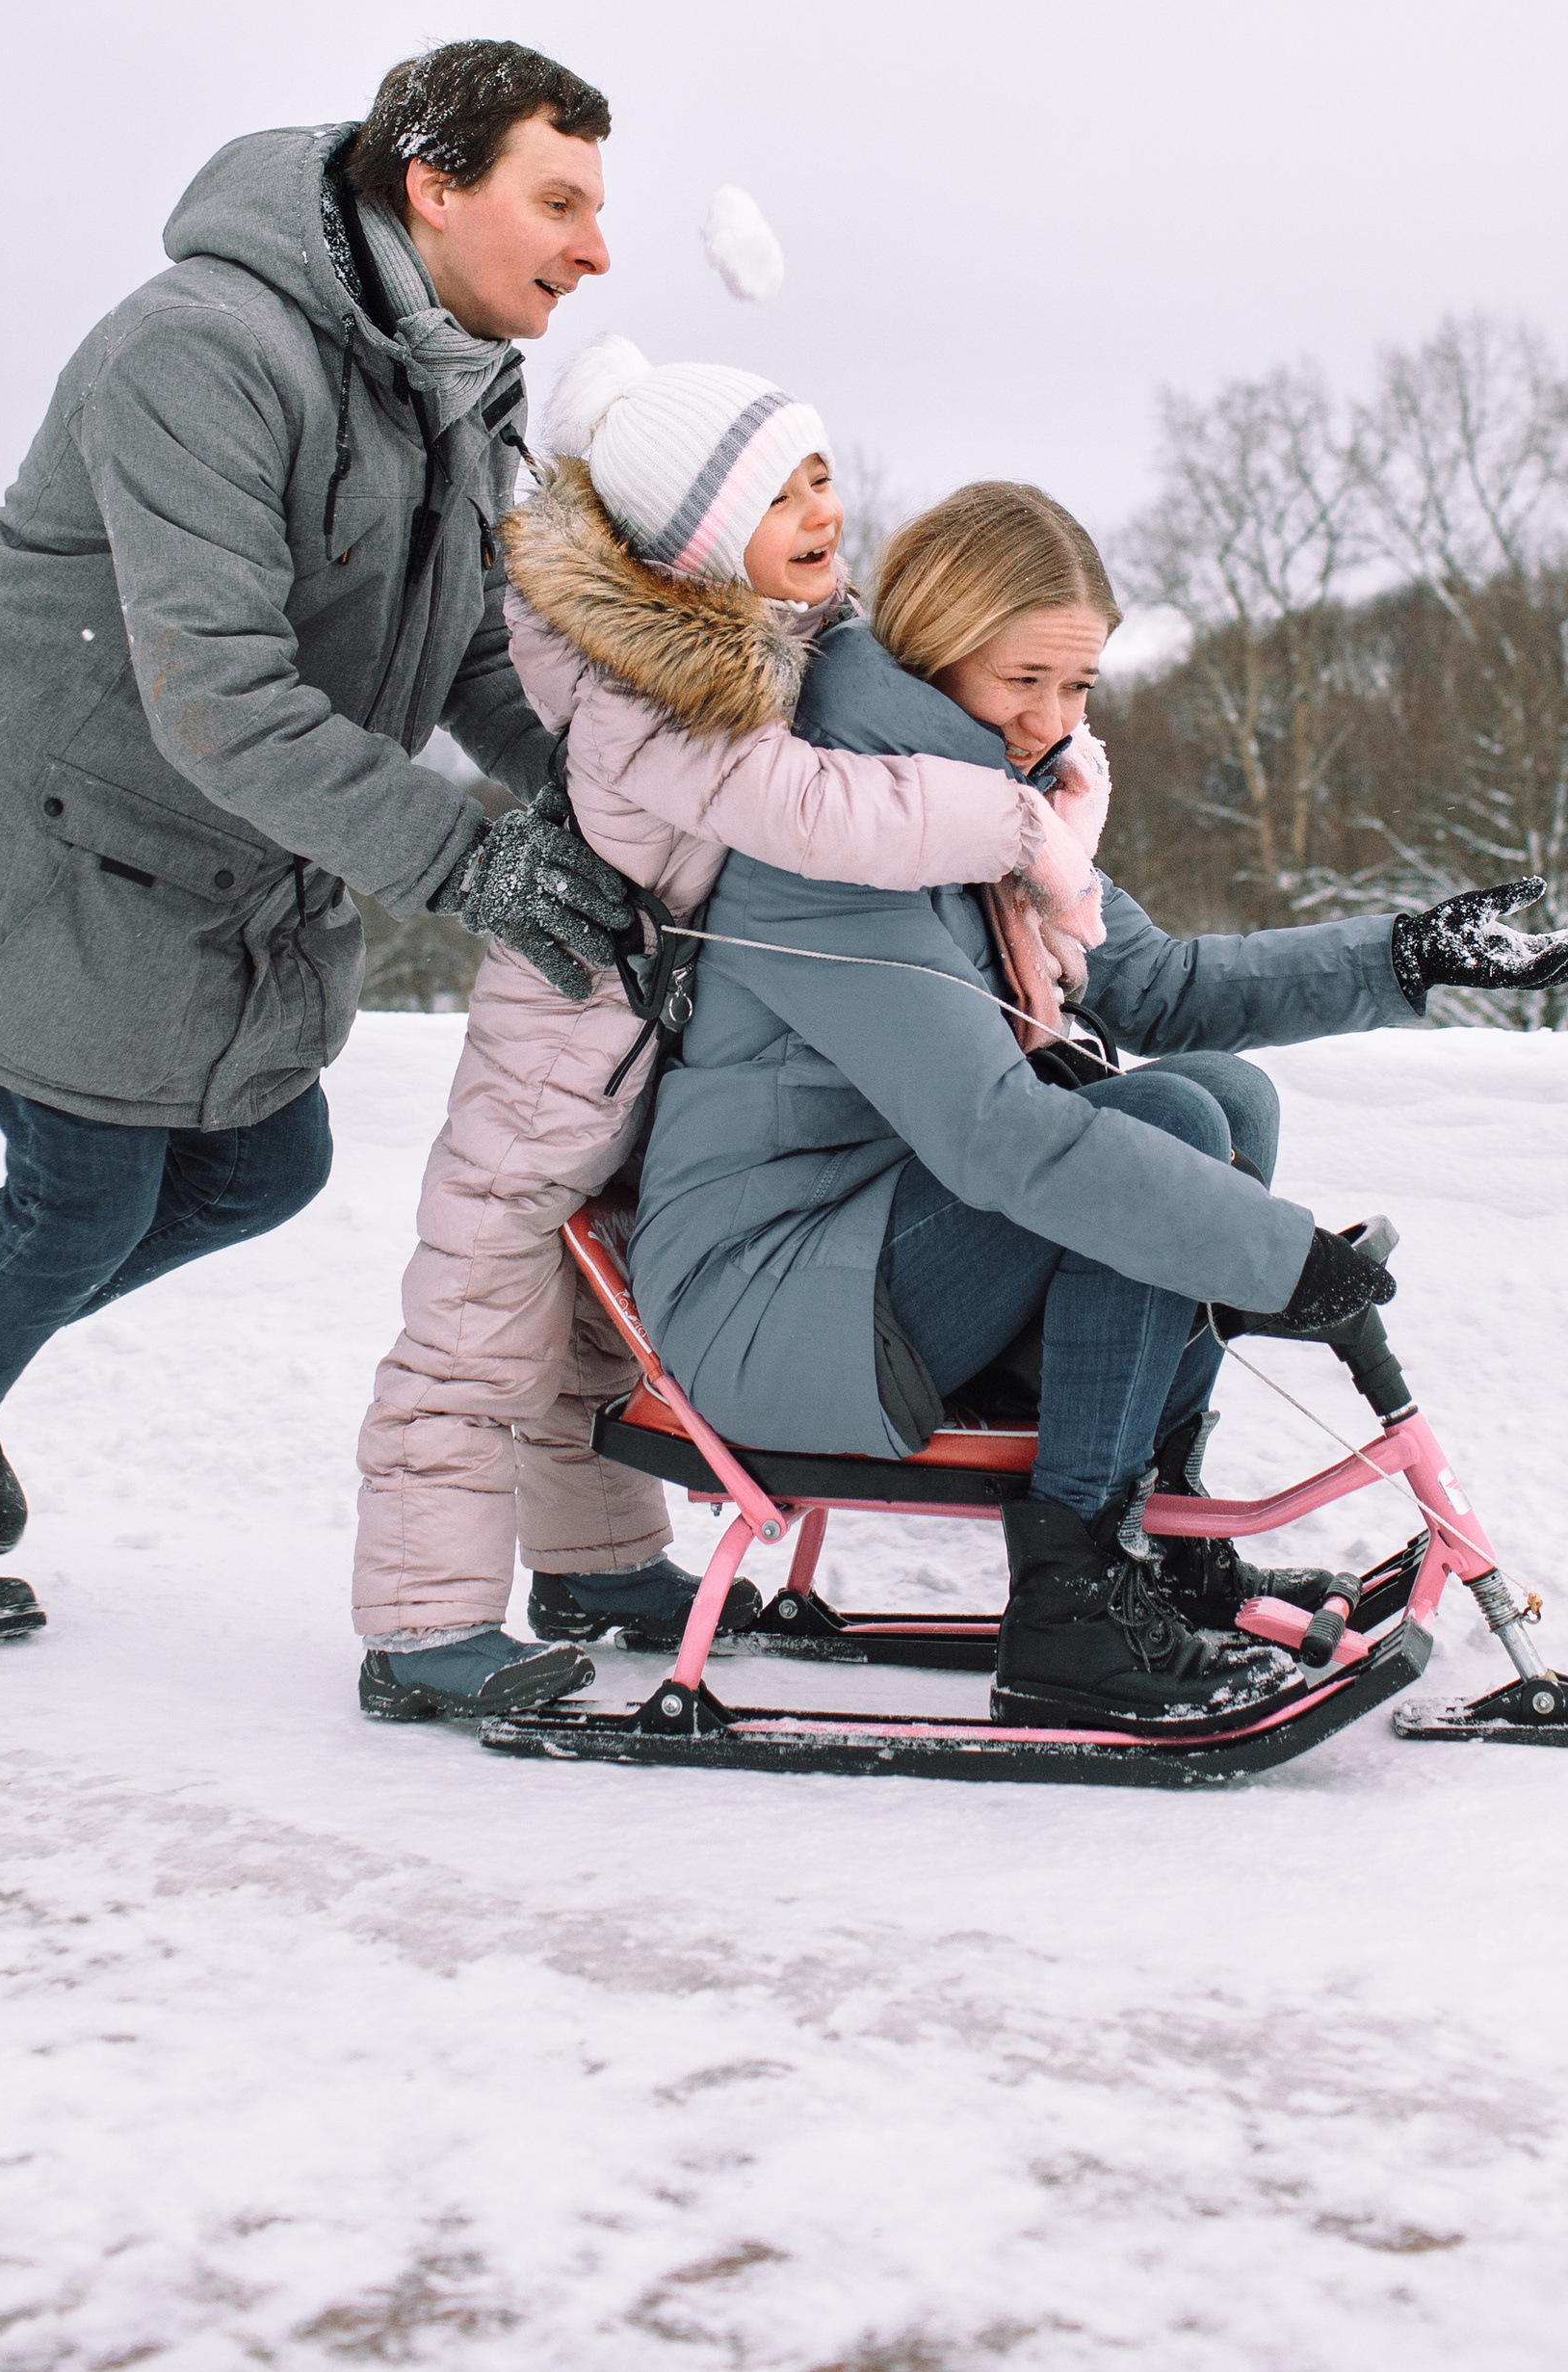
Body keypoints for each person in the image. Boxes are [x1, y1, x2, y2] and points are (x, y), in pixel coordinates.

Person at [0, 40, 646, 1649]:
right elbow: (227, 700)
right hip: (54, 829)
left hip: (198, 840)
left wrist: (602, 800)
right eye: (559, 201)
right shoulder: (201, 350)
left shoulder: (452, 372)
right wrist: (475, 868)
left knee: (268, 1161)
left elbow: (467, 645)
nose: (595, 247)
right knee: (81, 1198)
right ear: (433, 186)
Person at [630, 481, 1568, 1732]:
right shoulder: (832, 833)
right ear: (931, 658)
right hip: (766, 1294)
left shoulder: (993, 813)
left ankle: (1153, 1535)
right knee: (1156, 1148)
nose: (1052, 722)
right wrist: (1273, 1259)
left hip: (875, 1235)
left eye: (1079, 686)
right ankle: (1074, 1608)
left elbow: (1158, 985)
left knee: (1218, 1097)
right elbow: (1000, 1137)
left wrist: (1404, 955)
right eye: (1022, 679)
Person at [351, 344, 1099, 1721]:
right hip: (557, 1052)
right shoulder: (651, 697)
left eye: (820, 476)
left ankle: (597, 1564)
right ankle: (420, 1624)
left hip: (642, 1053)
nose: (824, 510)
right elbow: (813, 811)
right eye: (781, 497)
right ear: (699, 541)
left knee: (591, 1329)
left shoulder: (761, 651)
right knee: (474, 1327)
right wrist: (1011, 821)